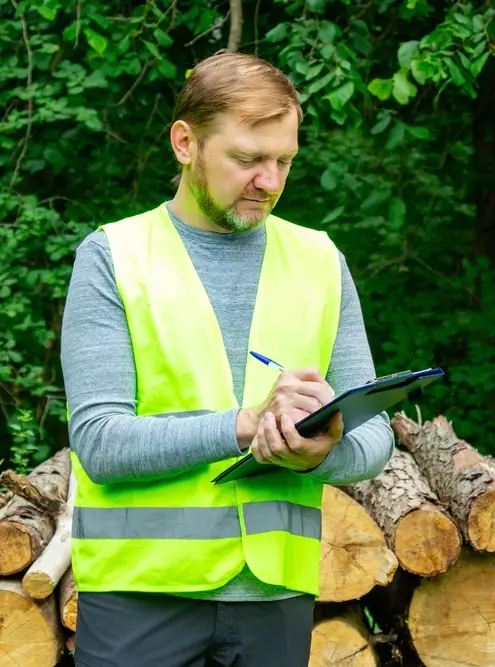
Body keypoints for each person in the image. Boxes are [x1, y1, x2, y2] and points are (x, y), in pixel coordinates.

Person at [59, 50, 395, 667]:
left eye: (284, 161)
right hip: (140, 597)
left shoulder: (321, 261)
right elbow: (100, 443)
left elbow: (374, 436)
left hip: (275, 601)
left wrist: (319, 453)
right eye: (247, 160)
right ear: (186, 143)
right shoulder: (114, 256)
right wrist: (248, 425)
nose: (270, 181)